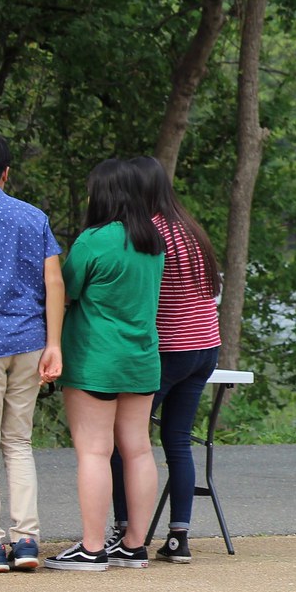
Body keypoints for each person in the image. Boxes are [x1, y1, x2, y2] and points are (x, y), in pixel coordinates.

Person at [44, 159, 164, 571]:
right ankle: (135, 545)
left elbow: (66, 289)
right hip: (143, 358)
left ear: (107, 194)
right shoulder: (152, 241)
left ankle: (92, 547)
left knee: (94, 451)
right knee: (139, 449)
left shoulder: (93, 240)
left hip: (96, 358)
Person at [108, 156, 222, 563]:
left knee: (125, 442)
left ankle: (125, 531)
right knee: (177, 442)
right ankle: (179, 537)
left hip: (170, 349)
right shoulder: (190, 228)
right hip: (206, 346)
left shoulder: (146, 233)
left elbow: (138, 296)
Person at [0, 133, 64, 573]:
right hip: (28, 340)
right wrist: (54, 343)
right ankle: (25, 541)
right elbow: (54, 281)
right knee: (18, 441)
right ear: (6, 172)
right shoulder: (32, 216)